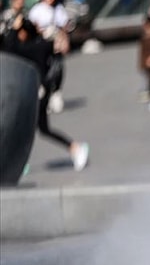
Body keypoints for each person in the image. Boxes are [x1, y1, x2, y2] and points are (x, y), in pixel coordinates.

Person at [2, 17, 89, 171]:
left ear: (24, 32)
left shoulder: (29, 48)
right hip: (40, 93)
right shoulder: (41, 44)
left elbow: (10, 47)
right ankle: (20, 163)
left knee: (34, 128)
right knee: (38, 129)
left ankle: (75, 148)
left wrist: (14, 30)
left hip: (37, 95)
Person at [28, 0, 70, 114]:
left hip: (56, 44)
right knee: (43, 69)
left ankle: (56, 93)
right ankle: (44, 96)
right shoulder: (37, 9)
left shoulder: (58, 9)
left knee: (58, 68)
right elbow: (32, 27)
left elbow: (64, 28)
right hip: (42, 44)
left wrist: (64, 41)